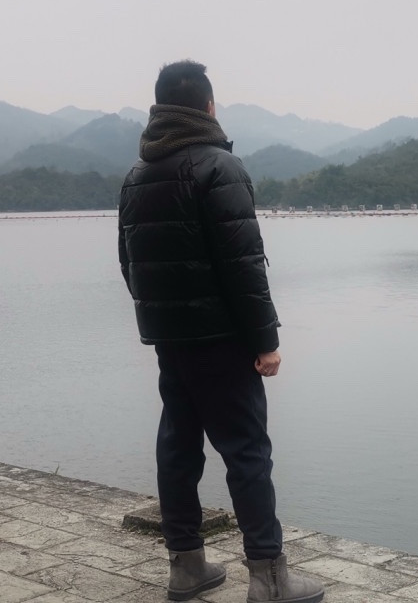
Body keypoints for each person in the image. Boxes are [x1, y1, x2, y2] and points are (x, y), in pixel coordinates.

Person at [118, 60, 324, 603]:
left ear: (159, 109)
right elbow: (243, 266)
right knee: (247, 452)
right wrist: (265, 341)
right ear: (208, 106)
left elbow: (129, 264)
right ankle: (269, 578)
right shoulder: (219, 166)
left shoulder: (137, 175)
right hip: (223, 340)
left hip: (170, 341)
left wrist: (163, 319)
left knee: (178, 447)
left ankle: (186, 567)